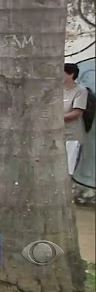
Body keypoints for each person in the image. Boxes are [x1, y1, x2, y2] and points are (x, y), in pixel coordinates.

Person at [63, 63, 89, 198]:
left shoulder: (80, 91)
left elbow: (76, 113)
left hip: (71, 136)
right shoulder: (57, 90)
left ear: (71, 74)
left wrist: (55, 119)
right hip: (56, 136)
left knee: (68, 168)